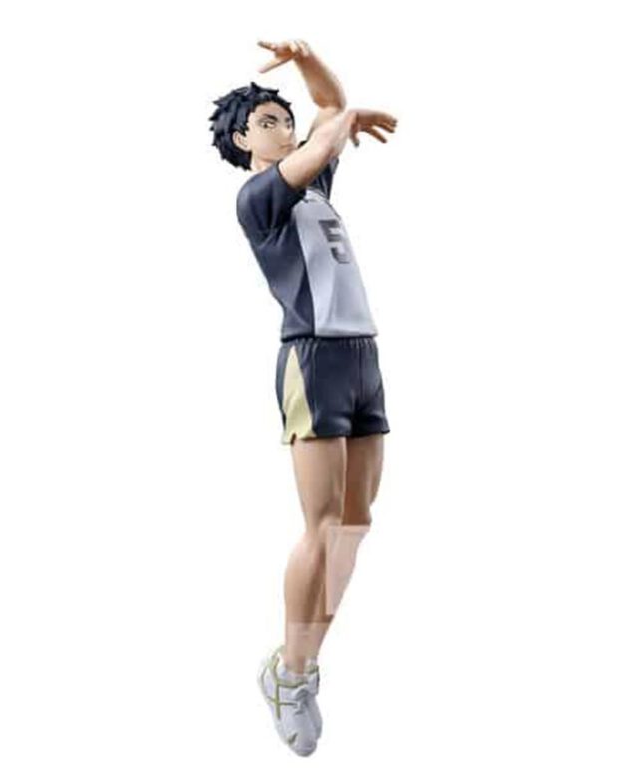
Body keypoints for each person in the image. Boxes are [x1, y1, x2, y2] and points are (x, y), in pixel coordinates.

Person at [208, 39, 398, 756]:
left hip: (362, 353)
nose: (282, 126)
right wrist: (338, 124)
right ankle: (291, 675)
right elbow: (327, 132)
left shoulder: (314, 188)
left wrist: (307, 59)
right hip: (313, 359)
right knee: (320, 526)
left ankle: (299, 662)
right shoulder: (260, 197)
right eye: (265, 122)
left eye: (282, 118)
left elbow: (327, 109)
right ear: (241, 141)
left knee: (355, 523)